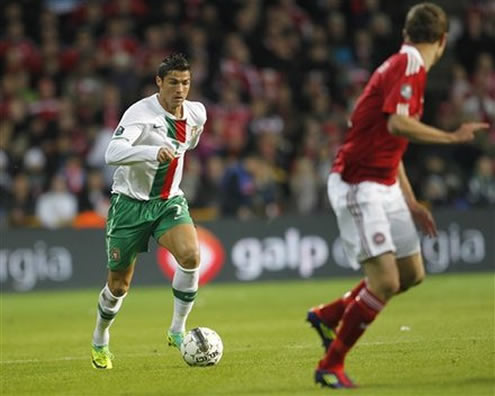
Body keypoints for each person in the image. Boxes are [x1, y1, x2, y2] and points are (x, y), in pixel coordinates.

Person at [306, 3, 489, 389]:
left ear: (407, 33)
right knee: (385, 281)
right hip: (359, 184)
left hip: (385, 183)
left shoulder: (402, 67)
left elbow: (390, 139)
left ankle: (329, 314)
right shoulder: (408, 67)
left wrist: (409, 200)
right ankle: (330, 364)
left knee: (411, 274)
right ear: (442, 40)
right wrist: (451, 136)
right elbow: (398, 123)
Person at [90, 53, 207, 369]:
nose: (180, 89)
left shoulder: (197, 114)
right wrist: (150, 152)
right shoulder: (140, 113)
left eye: (185, 82)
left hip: (168, 201)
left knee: (191, 257)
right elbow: (112, 153)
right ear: (159, 82)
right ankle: (100, 338)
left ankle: (177, 330)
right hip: (129, 205)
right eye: (173, 82)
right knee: (118, 286)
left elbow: (189, 145)